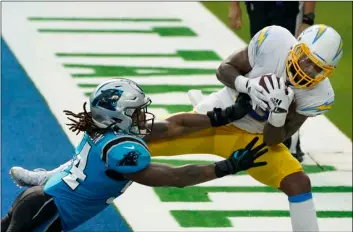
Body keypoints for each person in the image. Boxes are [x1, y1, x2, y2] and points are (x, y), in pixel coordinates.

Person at [9, 24, 343, 232]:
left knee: (299, 182)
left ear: (326, 72)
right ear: (296, 45)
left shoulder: (318, 95)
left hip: (256, 138)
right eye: (305, 57)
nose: (306, 68)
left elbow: (276, 139)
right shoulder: (273, 41)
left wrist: (279, 112)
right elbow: (224, 68)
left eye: (317, 66)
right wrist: (244, 86)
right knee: (137, 139)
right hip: (220, 113)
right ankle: (51, 177)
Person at [1, 78, 268, 232]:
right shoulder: (120, 151)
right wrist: (228, 166)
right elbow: (177, 177)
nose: (142, 116)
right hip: (48, 212)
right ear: (119, 115)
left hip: (39, 199)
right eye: (136, 111)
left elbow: (176, 125)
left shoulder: (104, 127)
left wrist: (223, 116)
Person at [228, 1, 317, 162]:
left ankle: (290, 138)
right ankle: (257, 132)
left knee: (291, 66)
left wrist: (307, 19)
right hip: (258, 6)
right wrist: (234, 5)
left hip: (287, 7)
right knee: (260, 62)